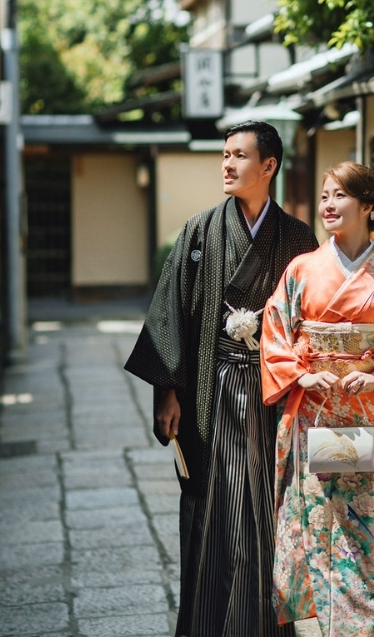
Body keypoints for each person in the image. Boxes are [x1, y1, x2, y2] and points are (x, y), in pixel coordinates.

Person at [124, 121, 319, 637]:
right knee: (211, 508)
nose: (227, 165)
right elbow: (171, 313)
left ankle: (267, 626)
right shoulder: (199, 232)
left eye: (239, 156)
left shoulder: (298, 238)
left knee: (268, 509)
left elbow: (313, 319)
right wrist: (166, 391)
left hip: (274, 393)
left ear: (269, 166)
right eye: (224, 155)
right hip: (211, 391)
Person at [260, 161, 374, 637]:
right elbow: (274, 331)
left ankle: (361, 629)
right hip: (317, 417)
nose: (328, 206)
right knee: (321, 526)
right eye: (324, 196)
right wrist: (299, 375)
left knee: (367, 535)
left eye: (339, 196)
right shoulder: (302, 270)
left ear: (369, 206)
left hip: (369, 420)